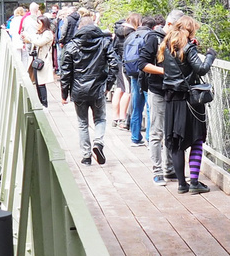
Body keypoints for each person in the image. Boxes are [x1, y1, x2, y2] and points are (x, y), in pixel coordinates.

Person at [159, 16, 217, 194]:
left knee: (176, 143)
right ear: (190, 30)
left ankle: (181, 185)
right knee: (197, 139)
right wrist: (210, 55)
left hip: (171, 100)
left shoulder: (166, 46)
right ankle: (194, 182)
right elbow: (200, 69)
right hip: (189, 100)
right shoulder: (188, 47)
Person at [58, 10, 117, 166]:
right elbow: (114, 65)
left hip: (78, 90)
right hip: (98, 88)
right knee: (100, 119)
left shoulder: (71, 46)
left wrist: (64, 93)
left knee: (82, 123)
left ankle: (86, 157)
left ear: (79, 27)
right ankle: (98, 143)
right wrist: (108, 85)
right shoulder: (104, 42)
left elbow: (65, 72)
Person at [139, 14, 173, 182]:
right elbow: (143, 64)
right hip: (157, 90)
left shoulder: (176, 39)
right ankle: (157, 171)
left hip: (173, 91)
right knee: (156, 131)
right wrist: (164, 72)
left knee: (170, 131)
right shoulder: (153, 38)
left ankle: (169, 168)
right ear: (170, 23)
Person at [121, 14, 153, 146]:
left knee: (136, 106)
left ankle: (135, 137)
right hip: (146, 74)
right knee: (149, 107)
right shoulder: (150, 36)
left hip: (133, 74)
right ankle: (150, 138)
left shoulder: (130, 36)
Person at [24, 16, 56, 106]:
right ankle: (41, 103)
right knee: (37, 83)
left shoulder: (48, 33)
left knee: (41, 83)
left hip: (43, 61)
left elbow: (40, 42)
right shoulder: (40, 33)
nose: (37, 25)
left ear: (43, 24)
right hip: (37, 60)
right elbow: (35, 39)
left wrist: (29, 39)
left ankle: (44, 104)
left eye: (39, 23)